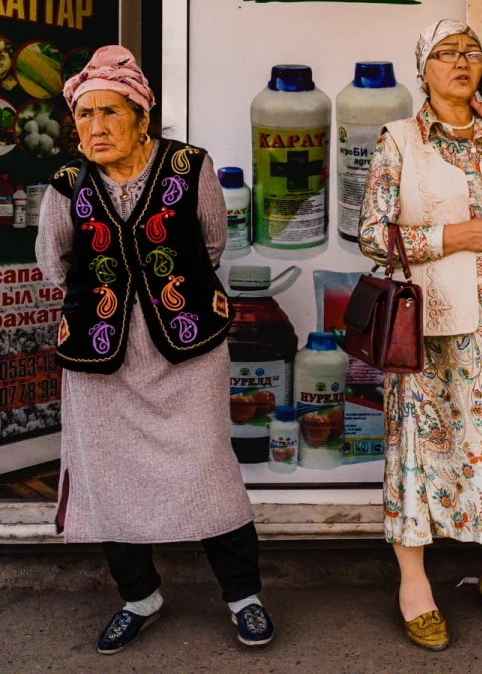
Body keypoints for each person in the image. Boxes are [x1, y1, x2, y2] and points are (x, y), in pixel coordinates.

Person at [34, 46, 273, 653]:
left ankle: (244, 596)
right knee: (108, 477)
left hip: (187, 352)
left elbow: (211, 244)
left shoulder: (189, 167)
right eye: (84, 115)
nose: (95, 127)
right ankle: (139, 596)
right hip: (100, 359)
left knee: (208, 470)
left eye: (110, 112)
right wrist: (109, 299)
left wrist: (162, 298)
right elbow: (54, 261)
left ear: (143, 117)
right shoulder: (66, 184)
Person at [359, 19, 482, 651]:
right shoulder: (399, 140)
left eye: (470, 52)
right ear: (422, 71)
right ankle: (414, 587)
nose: (459, 61)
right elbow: (373, 236)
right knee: (419, 451)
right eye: (445, 53)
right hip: (431, 331)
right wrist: (456, 236)